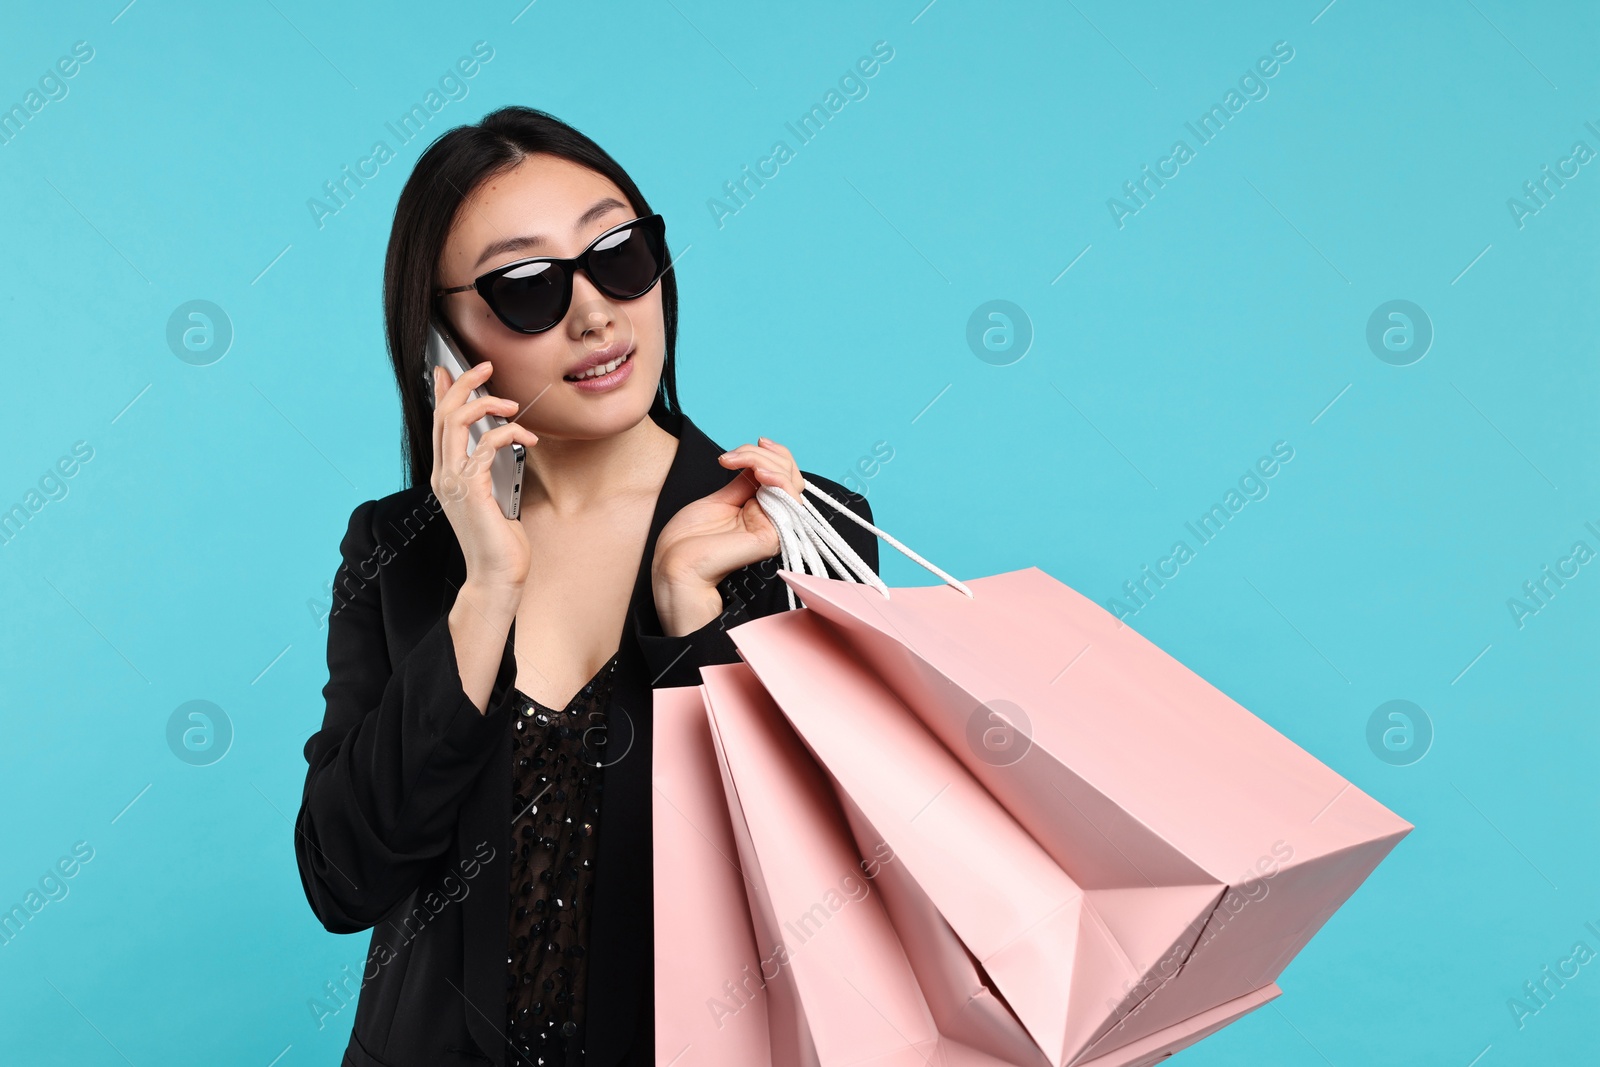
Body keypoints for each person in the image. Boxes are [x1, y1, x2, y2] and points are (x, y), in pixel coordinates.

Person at [293, 106, 879, 1067]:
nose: (596, 311)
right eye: (526, 286)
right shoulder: (394, 548)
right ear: (444, 340)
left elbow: (813, 892)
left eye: (619, 253)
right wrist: (486, 590)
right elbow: (344, 878)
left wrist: (692, 616)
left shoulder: (798, 530)